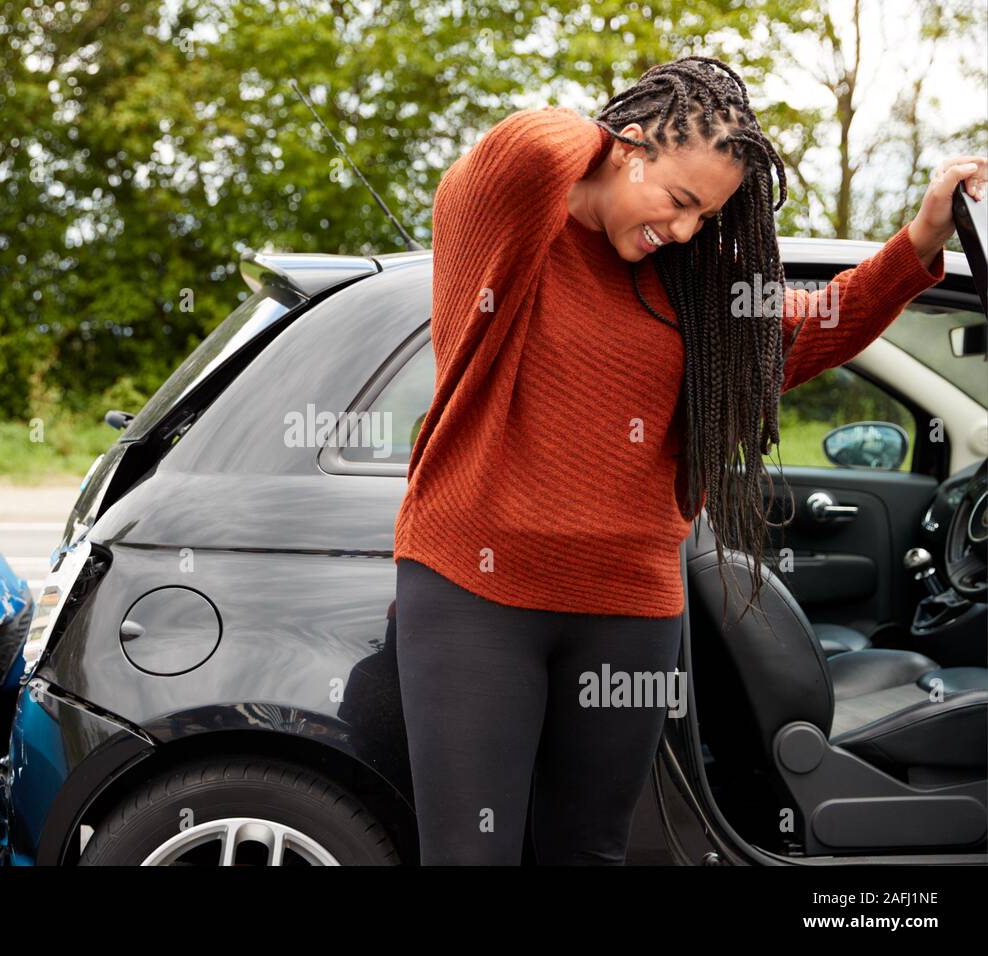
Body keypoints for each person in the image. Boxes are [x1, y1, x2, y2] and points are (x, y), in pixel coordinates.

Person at [392, 55, 986, 865]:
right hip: (476, 595)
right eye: (678, 200)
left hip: (631, 609)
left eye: (704, 217)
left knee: (592, 853)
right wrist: (606, 135)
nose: (682, 231)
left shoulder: (690, 286)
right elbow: (531, 146)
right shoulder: (509, 223)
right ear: (626, 146)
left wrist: (921, 238)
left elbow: (810, 328)